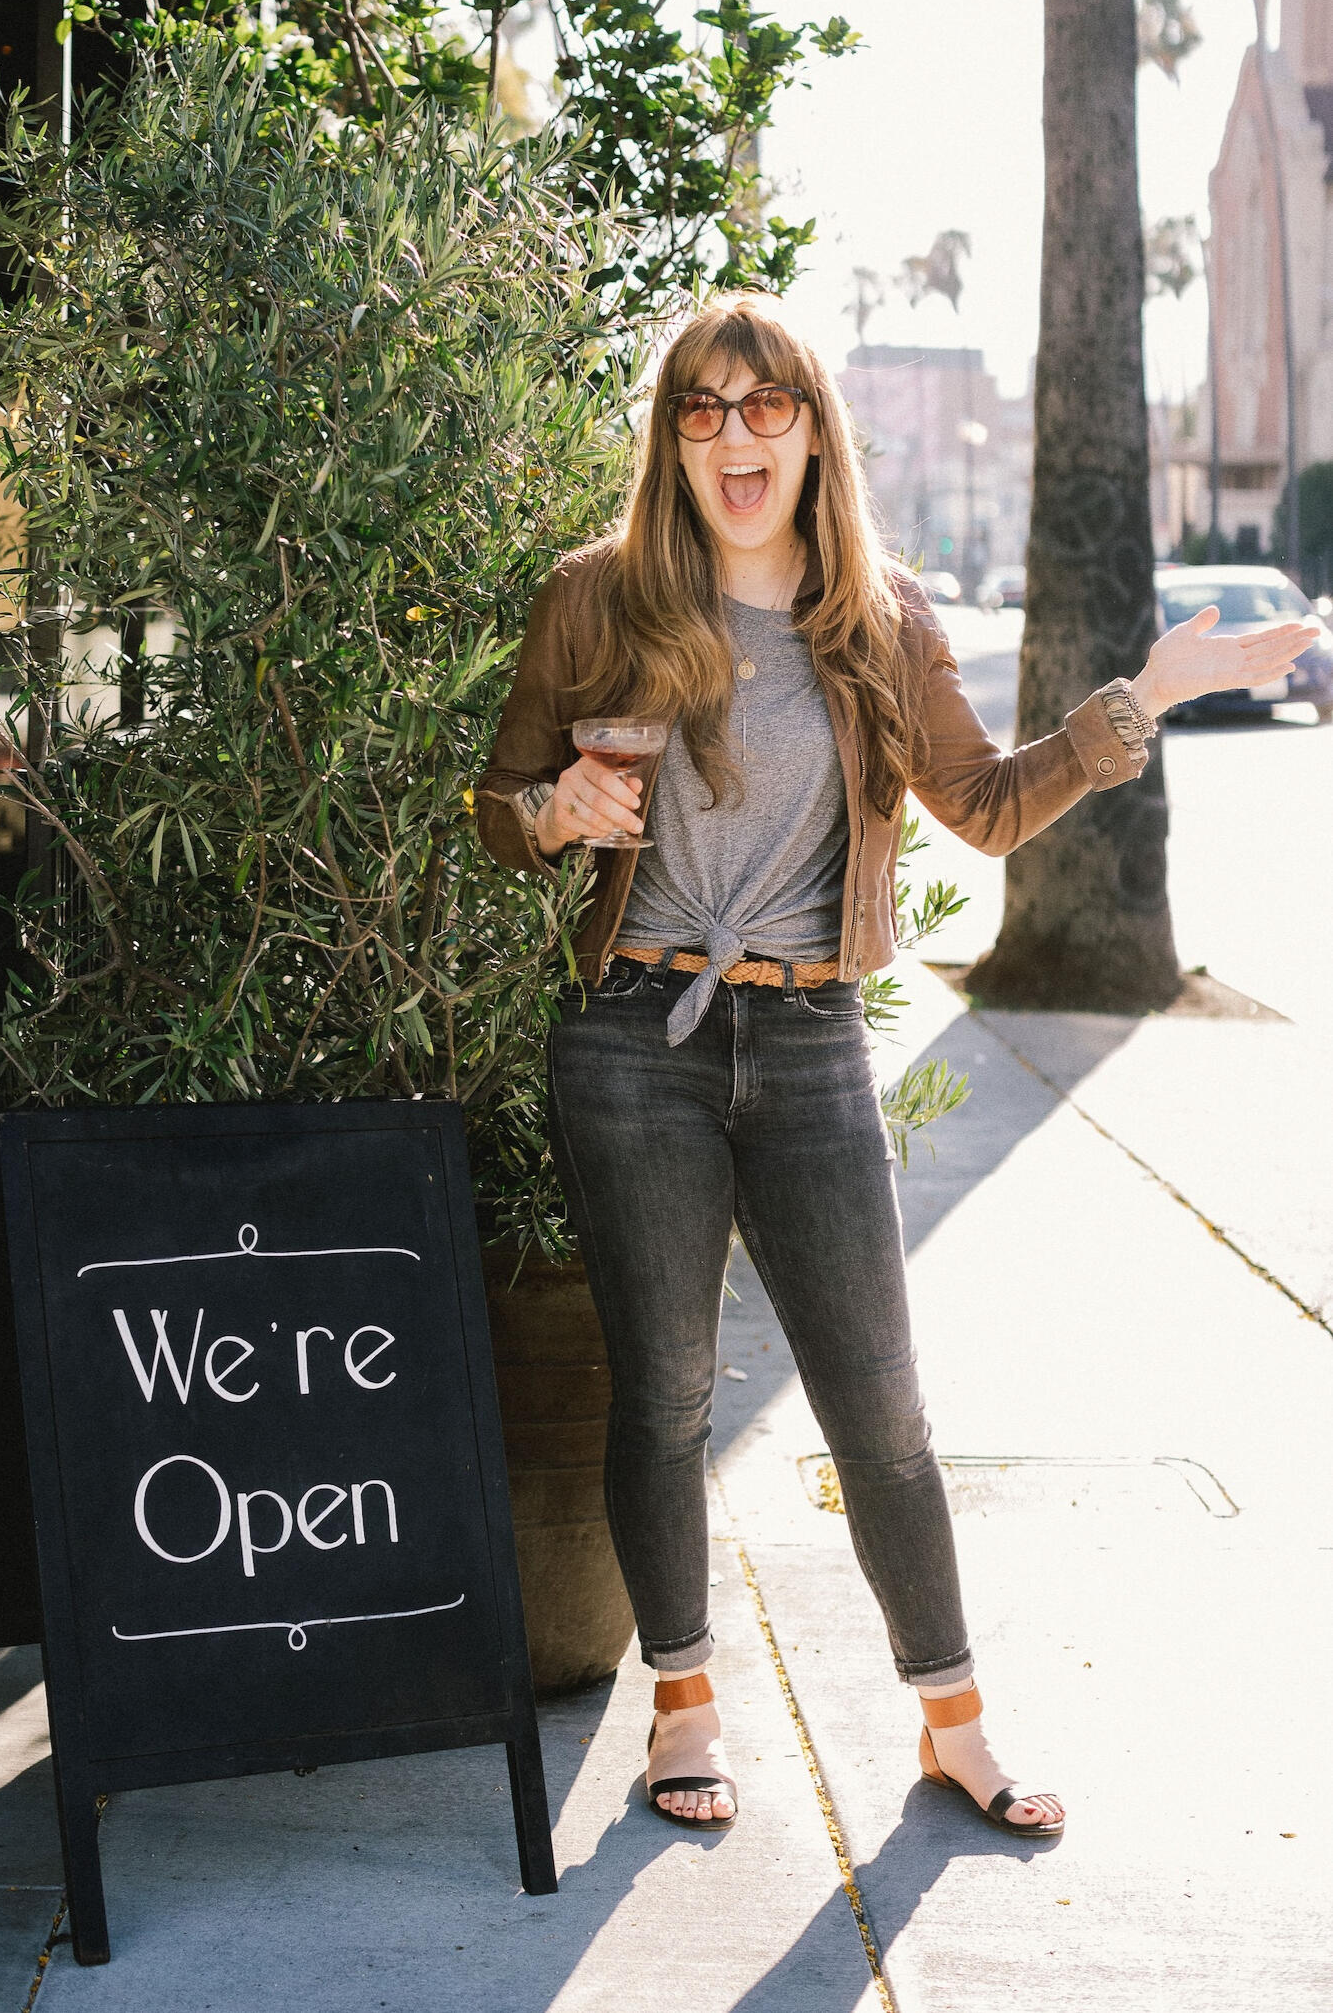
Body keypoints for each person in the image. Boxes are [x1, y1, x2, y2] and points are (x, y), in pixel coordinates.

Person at [474, 294, 1318, 1838]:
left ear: (812, 426)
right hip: (628, 1043)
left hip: (805, 1045)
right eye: (701, 410)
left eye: (764, 404)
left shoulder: (881, 616)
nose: (735, 437)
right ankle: (683, 1705)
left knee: (882, 1408)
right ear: (672, 440)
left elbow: (987, 806)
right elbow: (503, 791)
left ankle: (953, 1723)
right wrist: (550, 818)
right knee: (660, 1393)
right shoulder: (594, 600)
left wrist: (1148, 696)